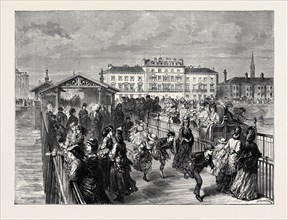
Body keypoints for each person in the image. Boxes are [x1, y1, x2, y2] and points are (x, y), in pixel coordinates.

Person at [230, 127, 262, 200]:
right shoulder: (245, 144)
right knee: (244, 179)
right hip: (246, 165)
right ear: (247, 135)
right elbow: (241, 153)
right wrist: (247, 156)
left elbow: (258, 153)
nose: (251, 136)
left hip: (251, 165)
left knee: (249, 181)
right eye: (249, 134)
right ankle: (243, 193)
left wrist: (256, 155)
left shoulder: (253, 145)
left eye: (252, 134)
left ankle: (248, 194)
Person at [108, 128, 138, 202]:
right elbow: (124, 154)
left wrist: (110, 155)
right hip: (123, 163)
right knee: (122, 179)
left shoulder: (116, 144)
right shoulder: (123, 144)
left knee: (116, 179)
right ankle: (121, 195)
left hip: (117, 164)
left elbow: (112, 155)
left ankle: (120, 195)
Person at [216, 126, 242, 193]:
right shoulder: (231, 140)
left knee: (230, 173)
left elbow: (237, 150)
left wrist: (232, 151)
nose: (236, 132)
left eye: (237, 131)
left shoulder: (238, 141)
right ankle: (225, 187)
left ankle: (229, 188)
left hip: (233, 158)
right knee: (227, 173)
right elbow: (226, 147)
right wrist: (227, 150)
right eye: (236, 130)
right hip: (229, 157)